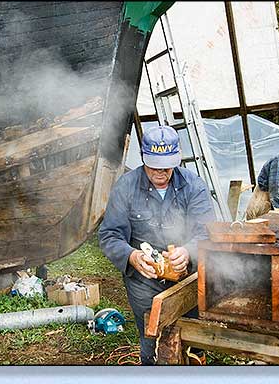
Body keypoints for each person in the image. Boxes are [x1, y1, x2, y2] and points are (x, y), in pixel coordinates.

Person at [98, 125, 215, 365]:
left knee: (191, 331)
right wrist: (132, 257)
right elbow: (109, 235)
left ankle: (195, 361)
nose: (161, 173)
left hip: (187, 275)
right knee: (151, 335)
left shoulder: (194, 186)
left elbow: (207, 232)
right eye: (154, 167)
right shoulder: (125, 187)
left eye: (167, 166)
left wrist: (188, 251)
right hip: (144, 278)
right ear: (143, 158)